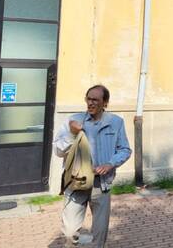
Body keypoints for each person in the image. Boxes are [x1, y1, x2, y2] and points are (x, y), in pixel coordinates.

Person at [53, 85, 132, 248]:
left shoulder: (116, 122)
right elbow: (58, 150)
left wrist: (111, 164)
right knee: (69, 232)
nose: (91, 103)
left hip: (101, 184)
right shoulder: (73, 121)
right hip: (76, 183)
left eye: (95, 100)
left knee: (100, 235)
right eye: (88, 99)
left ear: (105, 103)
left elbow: (125, 149)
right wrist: (71, 133)